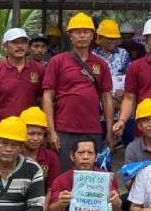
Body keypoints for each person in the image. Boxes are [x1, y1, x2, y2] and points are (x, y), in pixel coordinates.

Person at [42, 13, 115, 171]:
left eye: (86, 31)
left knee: (91, 177)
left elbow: (107, 98)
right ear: (70, 36)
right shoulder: (57, 61)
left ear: (92, 35)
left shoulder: (100, 64)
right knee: (64, 174)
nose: (82, 35)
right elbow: (47, 96)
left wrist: (109, 131)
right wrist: (51, 131)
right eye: (77, 31)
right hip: (64, 130)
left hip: (92, 129)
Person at [46, 137, 123, 211]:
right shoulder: (61, 180)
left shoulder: (106, 178)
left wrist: (115, 202)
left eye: (90, 153)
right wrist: (60, 204)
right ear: (72, 156)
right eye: (81, 153)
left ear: (96, 157)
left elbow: (117, 205)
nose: (85, 157)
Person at [0, 28, 45, 156]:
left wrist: (45, 133)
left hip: (28, 137)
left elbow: (44, 102)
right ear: (5, 46)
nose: (20, 46)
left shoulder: (39, 70)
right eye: (15, 42)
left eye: (23, 42)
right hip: (2, 136)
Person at [92, 18, 132, 146]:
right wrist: (106, 100)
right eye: (108, 38)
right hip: (99, 109)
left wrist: (122, 96)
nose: (112, 41)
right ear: (100, 38)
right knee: (102, 144)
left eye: (114, 38)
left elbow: (129, 77)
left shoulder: (123, 54)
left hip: (121, 106)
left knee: (126, 140)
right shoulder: (92, 55)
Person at [19, 107, 61, 194]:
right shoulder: (13, 154)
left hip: (40, 202)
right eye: (31, 134)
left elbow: (51, 189)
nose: (35, 138)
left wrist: (43, 207)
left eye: (40, 134)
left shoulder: (51, 157)